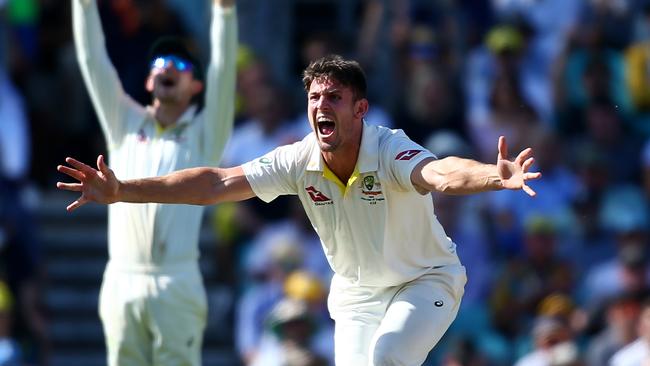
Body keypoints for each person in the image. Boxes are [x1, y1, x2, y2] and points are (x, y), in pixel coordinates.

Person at [57, 55, 541, 365]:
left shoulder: (390, 148)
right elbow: (217, 182)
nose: (321, 106)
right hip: (356, 294)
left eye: (334, 97)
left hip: (427, 279)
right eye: (314, 97)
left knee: (387, 356)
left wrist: (492, 176)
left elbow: (440, 174)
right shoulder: (297, 158)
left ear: (360, 109)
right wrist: (124, 191)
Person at [71, 0, 237, 365]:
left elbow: (224, 74)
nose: (168, 68)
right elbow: (92, 61)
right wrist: (83, 5)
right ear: (149, 80)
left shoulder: (205, 134)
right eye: (161, 63)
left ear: (194, 85)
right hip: (121, 278)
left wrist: (224, 14)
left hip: (176, 280)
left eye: (180, 65)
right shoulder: (124, 124)